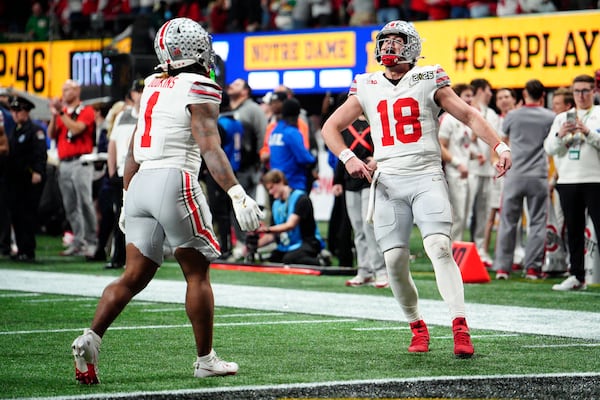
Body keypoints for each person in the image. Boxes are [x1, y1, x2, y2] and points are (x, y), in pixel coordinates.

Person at [70, 18, 263, 384]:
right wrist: (236, 192)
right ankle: (205, 359)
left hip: (141, 182)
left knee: (132, 276)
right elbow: (209, 146)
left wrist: (128, 197)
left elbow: (132, 149)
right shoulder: (201, 85)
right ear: (194, 49)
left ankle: (90, 338)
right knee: (197, 273)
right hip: (175, 181)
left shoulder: (153, 83)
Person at [320, 20, 512, 358]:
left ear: (411, 46)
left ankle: (459, 325)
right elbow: (330, 127)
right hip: (389, 181)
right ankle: (417, 326)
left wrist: (499, 146)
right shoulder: (366, 84)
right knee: (394, 261)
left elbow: (467, 115)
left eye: (396, 41)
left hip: (425, 175)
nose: (388, 47)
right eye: (385, 41)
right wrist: (348, 157)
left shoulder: (429, 78)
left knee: (439, 246)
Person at [492, 79, 555, 280]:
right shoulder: (550, 117)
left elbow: (502, 141)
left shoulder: (512, 116)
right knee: (537, 222)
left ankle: (502, 268)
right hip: (538, 175)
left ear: (524, 95)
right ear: (543, 96)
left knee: (508, 221)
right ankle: (533, 269)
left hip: (514, 174)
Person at [544, 74, 600, 291]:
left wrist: (588, 133)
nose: (581, 95)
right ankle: (576, 275)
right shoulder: (562, 118)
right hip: (568, 180)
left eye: (585, 90)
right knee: (573, 230)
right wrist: (560, 135)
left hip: (595, 179)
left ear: (594, 91)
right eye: (577, 91)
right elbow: (549, 148)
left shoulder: (598, 114)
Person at [333, 114, 388, 288]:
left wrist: (377, 160)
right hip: (351, 181)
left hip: (369, 180)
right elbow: (342, 155)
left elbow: (386, 146)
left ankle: (380, 271)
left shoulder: (375, 121)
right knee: (357, 228)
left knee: (368, 226)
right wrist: (337, 181)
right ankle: (364, 270)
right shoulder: (347, 126)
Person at [47, 79, 97, 257]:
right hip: (64, 162)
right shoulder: (62, 114)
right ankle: (78, 241)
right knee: (70, 206)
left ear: (77, 91)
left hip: (81, 162)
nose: (64, 92)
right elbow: (52, 134)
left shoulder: (86, 111)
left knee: (85, 202)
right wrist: (54, 115)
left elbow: (76, 129)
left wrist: (60, 112)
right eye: (63, 89)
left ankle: (92, 242)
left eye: (67, 89)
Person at [5, 96, 47, 262]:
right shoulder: (15, 130)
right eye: (13, 111)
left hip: (29, 178)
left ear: (26, 111)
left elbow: (40, 153)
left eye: (18, 110)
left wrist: (38, 171)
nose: (15, 114)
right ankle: (21, 248)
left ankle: (28, 250)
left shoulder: (35, 130)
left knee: (27, 214)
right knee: (16, 214)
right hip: (16, 179)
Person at [256, 169, 323, 265]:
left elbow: (290, 225)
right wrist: (255, 245)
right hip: (287, 244)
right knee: (274, 258)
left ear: (280, 182)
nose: (270, 192)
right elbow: (272, 235)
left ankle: (320, 261)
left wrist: (266, 229)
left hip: (308, 242)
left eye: (271, 188)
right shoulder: (276, 204)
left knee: (289, 259)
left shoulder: (301, 198)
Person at [482, 87, 517, 267]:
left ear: (514, 100)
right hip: (499, 172)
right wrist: (496, 164)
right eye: (500, 97)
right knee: (492, 213)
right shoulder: (495, 121)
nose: (503, 100)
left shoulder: (520, 118)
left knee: (513, 215)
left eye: (507, 96)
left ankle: (514, 253)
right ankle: (485, 252)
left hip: (518, 173)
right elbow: (492, 148)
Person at [468, 78, 501, 264]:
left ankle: (480, 249)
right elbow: (462, 140)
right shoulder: (468, 110)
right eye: (488, 90)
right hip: (469, 168)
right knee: (463, 213)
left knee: (482, 212)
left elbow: (495, 139)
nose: (491, 94)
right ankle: (458, 247)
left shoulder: (492, 114)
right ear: (480, 90)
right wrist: (473, 152)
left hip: (487, 170)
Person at [438, 83, 475, 243]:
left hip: (466, 172)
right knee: (457, 216)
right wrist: (457, 163)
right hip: (454, 174)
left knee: (464, 216)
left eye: (471, 95)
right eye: (467, 95)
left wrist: (474, 156)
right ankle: (451, 252)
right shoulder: (448, 119)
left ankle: (458, 249)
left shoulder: (464, 119)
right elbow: (440, 146)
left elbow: (461, 146)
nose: (470, 99)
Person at [267, 98, 316, 192]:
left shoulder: (274, 131)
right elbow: (304, 158)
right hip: (293, 183)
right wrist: (313, 160)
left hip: (276, 182)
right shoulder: (291, 132)